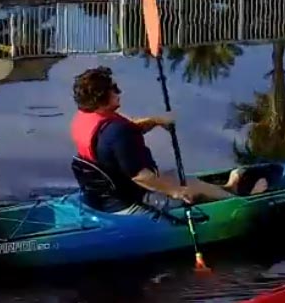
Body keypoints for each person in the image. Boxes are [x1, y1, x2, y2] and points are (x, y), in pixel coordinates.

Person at [69, 66, 273, 214]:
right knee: (190, 190)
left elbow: (126, 133)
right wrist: (175, 191)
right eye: (113, 89)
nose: (119, 92)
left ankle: (229, 189)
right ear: (101, 98)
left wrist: (156, 121)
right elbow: (141, 177)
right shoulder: (116, 132)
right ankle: (244, 204)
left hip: (104, 197)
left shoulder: (87, 119)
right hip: (131, 201)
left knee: (180, 177)